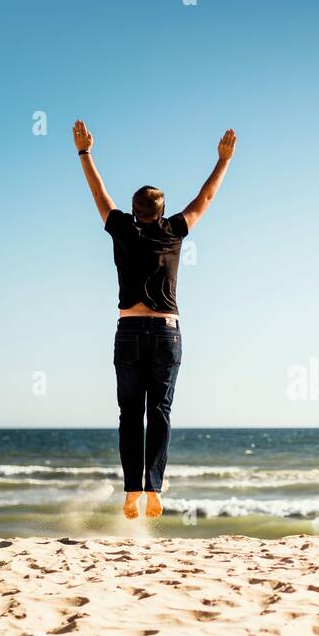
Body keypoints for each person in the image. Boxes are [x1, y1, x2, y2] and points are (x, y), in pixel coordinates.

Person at [73, 120, 236, 518]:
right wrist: (223, 161)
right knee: (159, 411)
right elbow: (207, 197)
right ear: (162, 212)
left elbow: (98, 192)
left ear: (134, 211)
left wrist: (85, 153)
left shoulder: (121, 229)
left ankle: (132, 490)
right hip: (166, 332)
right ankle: (154, 488)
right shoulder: (174, 231)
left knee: (130, 413)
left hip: (129, 329)